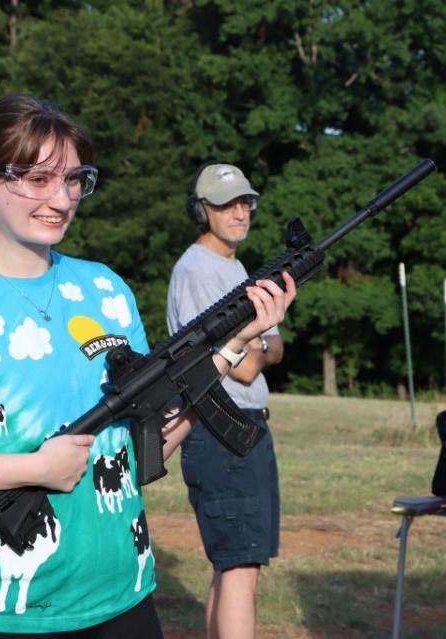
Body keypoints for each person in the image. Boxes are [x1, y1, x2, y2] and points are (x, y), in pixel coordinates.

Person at [0, 95, 295, 638]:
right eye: (37, 179)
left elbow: (139, 453)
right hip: (5, 613)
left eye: (73, 180)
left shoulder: (106, 291)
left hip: (125, 596)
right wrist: (31, 470)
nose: (59, 199)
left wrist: (230, 350)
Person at [166, 161, 285, 639]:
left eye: (245, 202)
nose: (240, 213)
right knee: (239, 565)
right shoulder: (196, 270)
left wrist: (257, 344)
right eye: (225, 204)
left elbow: (274, 346)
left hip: (244, 424)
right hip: (220, 429)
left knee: (234, 565)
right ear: (202, 210)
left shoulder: (234, 268)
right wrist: (257, 345)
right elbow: (250, 362)